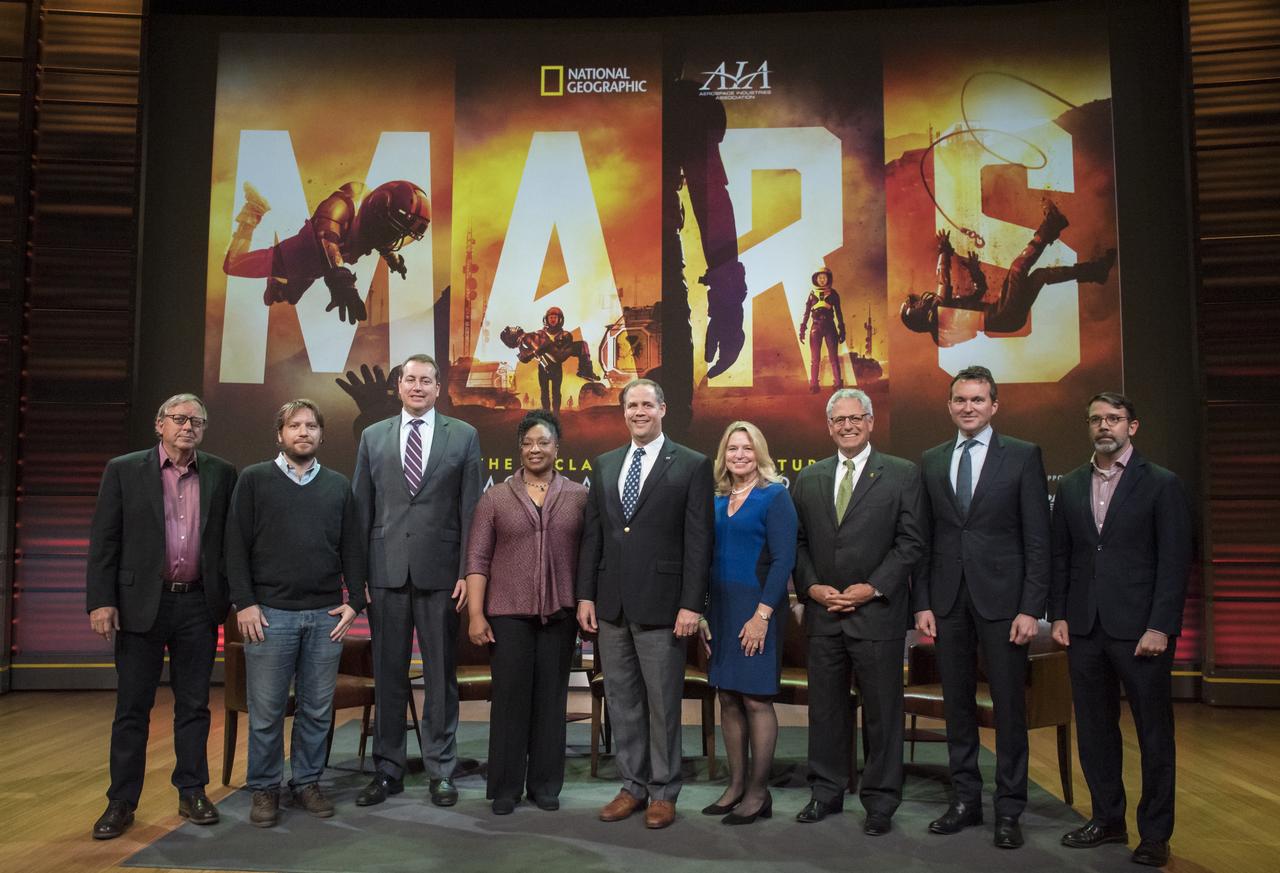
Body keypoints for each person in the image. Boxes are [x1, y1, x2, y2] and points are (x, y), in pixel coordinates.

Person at [85, 394, 238, 839]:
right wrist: (101, 600)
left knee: (194, 705)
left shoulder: (221, 473)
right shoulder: (124, 470)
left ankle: (192, 790)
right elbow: (104, 541)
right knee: (133, 707)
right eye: (179, 419)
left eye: (197, 421)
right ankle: (121, 801)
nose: (187, 426)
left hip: (197, 604)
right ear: (159, 425)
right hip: (138, 606)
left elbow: (229, 543)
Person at [1049, 393, 1192, 868]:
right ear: (1087, 426)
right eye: (1096, 419)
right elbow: (1062, 556)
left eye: (1114, 418)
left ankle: (1155, 833)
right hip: (1085, 627)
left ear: (1134, 426)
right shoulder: (1070, 485)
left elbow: (1175, 561)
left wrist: (1161, 625)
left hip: (1141, 631)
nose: (1104, 426)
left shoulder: (1162, 484)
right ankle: (1107, 819)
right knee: (1094, 729)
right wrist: (1061, 614)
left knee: (1154, 733)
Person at [913, 364, 1050, 849]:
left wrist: (1032, 607)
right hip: (948, 602)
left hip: (1005, 604)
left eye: (977, 400)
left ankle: (1009, 809)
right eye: (959, 400)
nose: (967, 407)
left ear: (994, 405)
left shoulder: (1022, 456)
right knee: (957, 707)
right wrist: (922, 602)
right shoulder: (930, 459)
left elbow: (1038, 538)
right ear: (949, 405)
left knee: (1009, 709)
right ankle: (965, 801)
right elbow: (924, 540)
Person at [576, 378, 714, 829]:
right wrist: (585, 596)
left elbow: (699, 541)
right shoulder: (605, 463)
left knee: (662, 704)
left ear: (663, 409)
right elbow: (593, 536)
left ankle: (663, 790)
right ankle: (631, 786)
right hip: (612, 605)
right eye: (631, 405)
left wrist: (692, 604)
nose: (639, 412)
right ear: (623, 412)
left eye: (646, 405)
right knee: (622, 701)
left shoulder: (691, 464)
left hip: (664, 606)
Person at [226, 399, 367, 827]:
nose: (303, 432)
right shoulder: (253, 481)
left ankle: (306, 782)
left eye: (310, 426)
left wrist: (355, 602)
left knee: (317, 710)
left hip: (325, 616)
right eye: (294, 426)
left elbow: (352, 549)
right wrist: (245, 603)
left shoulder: (339, 486)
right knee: (267, 711)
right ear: (280, 435)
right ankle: (265, 789)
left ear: (321, 435)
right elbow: (234, 547)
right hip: (270, 616)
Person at [791, 388, 925, 835]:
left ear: (870, 422)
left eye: (855, 418)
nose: (847, 426)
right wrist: (811, 587)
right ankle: (825, 792)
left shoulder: (902, 474)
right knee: (825, 711)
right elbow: (800, 543)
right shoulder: (809, 478)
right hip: (825, 614)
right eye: (838, 420)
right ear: (829, 426)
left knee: (883, 712)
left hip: (877, 614)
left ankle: (881, 800)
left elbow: (910, 544)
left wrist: (872, 588)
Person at [352, 353, 482, 807]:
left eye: (427, 380)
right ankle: (387, 770)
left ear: (439, 387)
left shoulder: (463, 436)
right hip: (385, 571)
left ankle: (440, 770)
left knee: (440, 674)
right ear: (398, 385)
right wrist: (357, 577)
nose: (418, 386)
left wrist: (469, 570)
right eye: (410, 379)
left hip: (442, 574)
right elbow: (360, 511)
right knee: (388, 674)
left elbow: (472, 511)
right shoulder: (373, 436)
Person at [464, 410, 588, 815]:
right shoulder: (496, 497)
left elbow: (590, 556)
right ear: (520, 448)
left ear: (557, 447)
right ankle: (504, 787)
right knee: (510, 701)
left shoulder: (578, 496)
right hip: (507, 614)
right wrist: (476, 615)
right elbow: (478, 559)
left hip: (560, 614)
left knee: (551, 701)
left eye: (544, 442)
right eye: (529, 442)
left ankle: (545, 784)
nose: (536, 449)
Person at [700, 421, 797, 826]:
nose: (739, 455)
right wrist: (703, 613)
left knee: (756, 699)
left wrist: (762, 615)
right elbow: (705, 560)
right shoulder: (718, 500)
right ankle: (736, 786)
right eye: (732, 449)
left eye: (747, 448)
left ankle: (759, 792)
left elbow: (783, 561)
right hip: (721, 613)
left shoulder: (774, 497)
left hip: (757, 611)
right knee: (727, 697)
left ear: (760, 453)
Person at [900, 203, 1116, 347]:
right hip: (1003, 314)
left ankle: (1096, 271)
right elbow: (943, 280)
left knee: (1040, 276)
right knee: (1018, 269)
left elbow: (980, 291)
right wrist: (944, 251)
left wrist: (975, 272)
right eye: (917, 304)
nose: (921, 300)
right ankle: (1051, 225)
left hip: (1006, 318)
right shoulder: (939, 317)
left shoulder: (946, 319)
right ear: (918, 316)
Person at [223, 179, 431, 324]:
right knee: (232, 265)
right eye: (391, 232)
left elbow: (382, 240)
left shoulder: (377, 225)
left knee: (289, 296)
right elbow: (326, 239)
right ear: (378, 214)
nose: (392, 239)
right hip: (295, 257)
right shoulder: (345, 205)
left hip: (315, 269)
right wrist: (342, 281)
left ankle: (278, 286)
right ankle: (252, 212)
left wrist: (395, 261)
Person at [798, 267, 846, 393]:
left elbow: (839, 313)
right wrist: (802, 328)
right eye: (820, 277)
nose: (822, 280)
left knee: (833, 358)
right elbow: (806, 313)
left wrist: (842, 329)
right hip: (816, 327)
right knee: (815, 359)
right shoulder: (811, 294)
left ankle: (838, 384)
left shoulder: (833, 294)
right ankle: (814, 385)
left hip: (830, 327)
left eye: (824, 277)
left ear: (828, 278)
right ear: (816, 279)